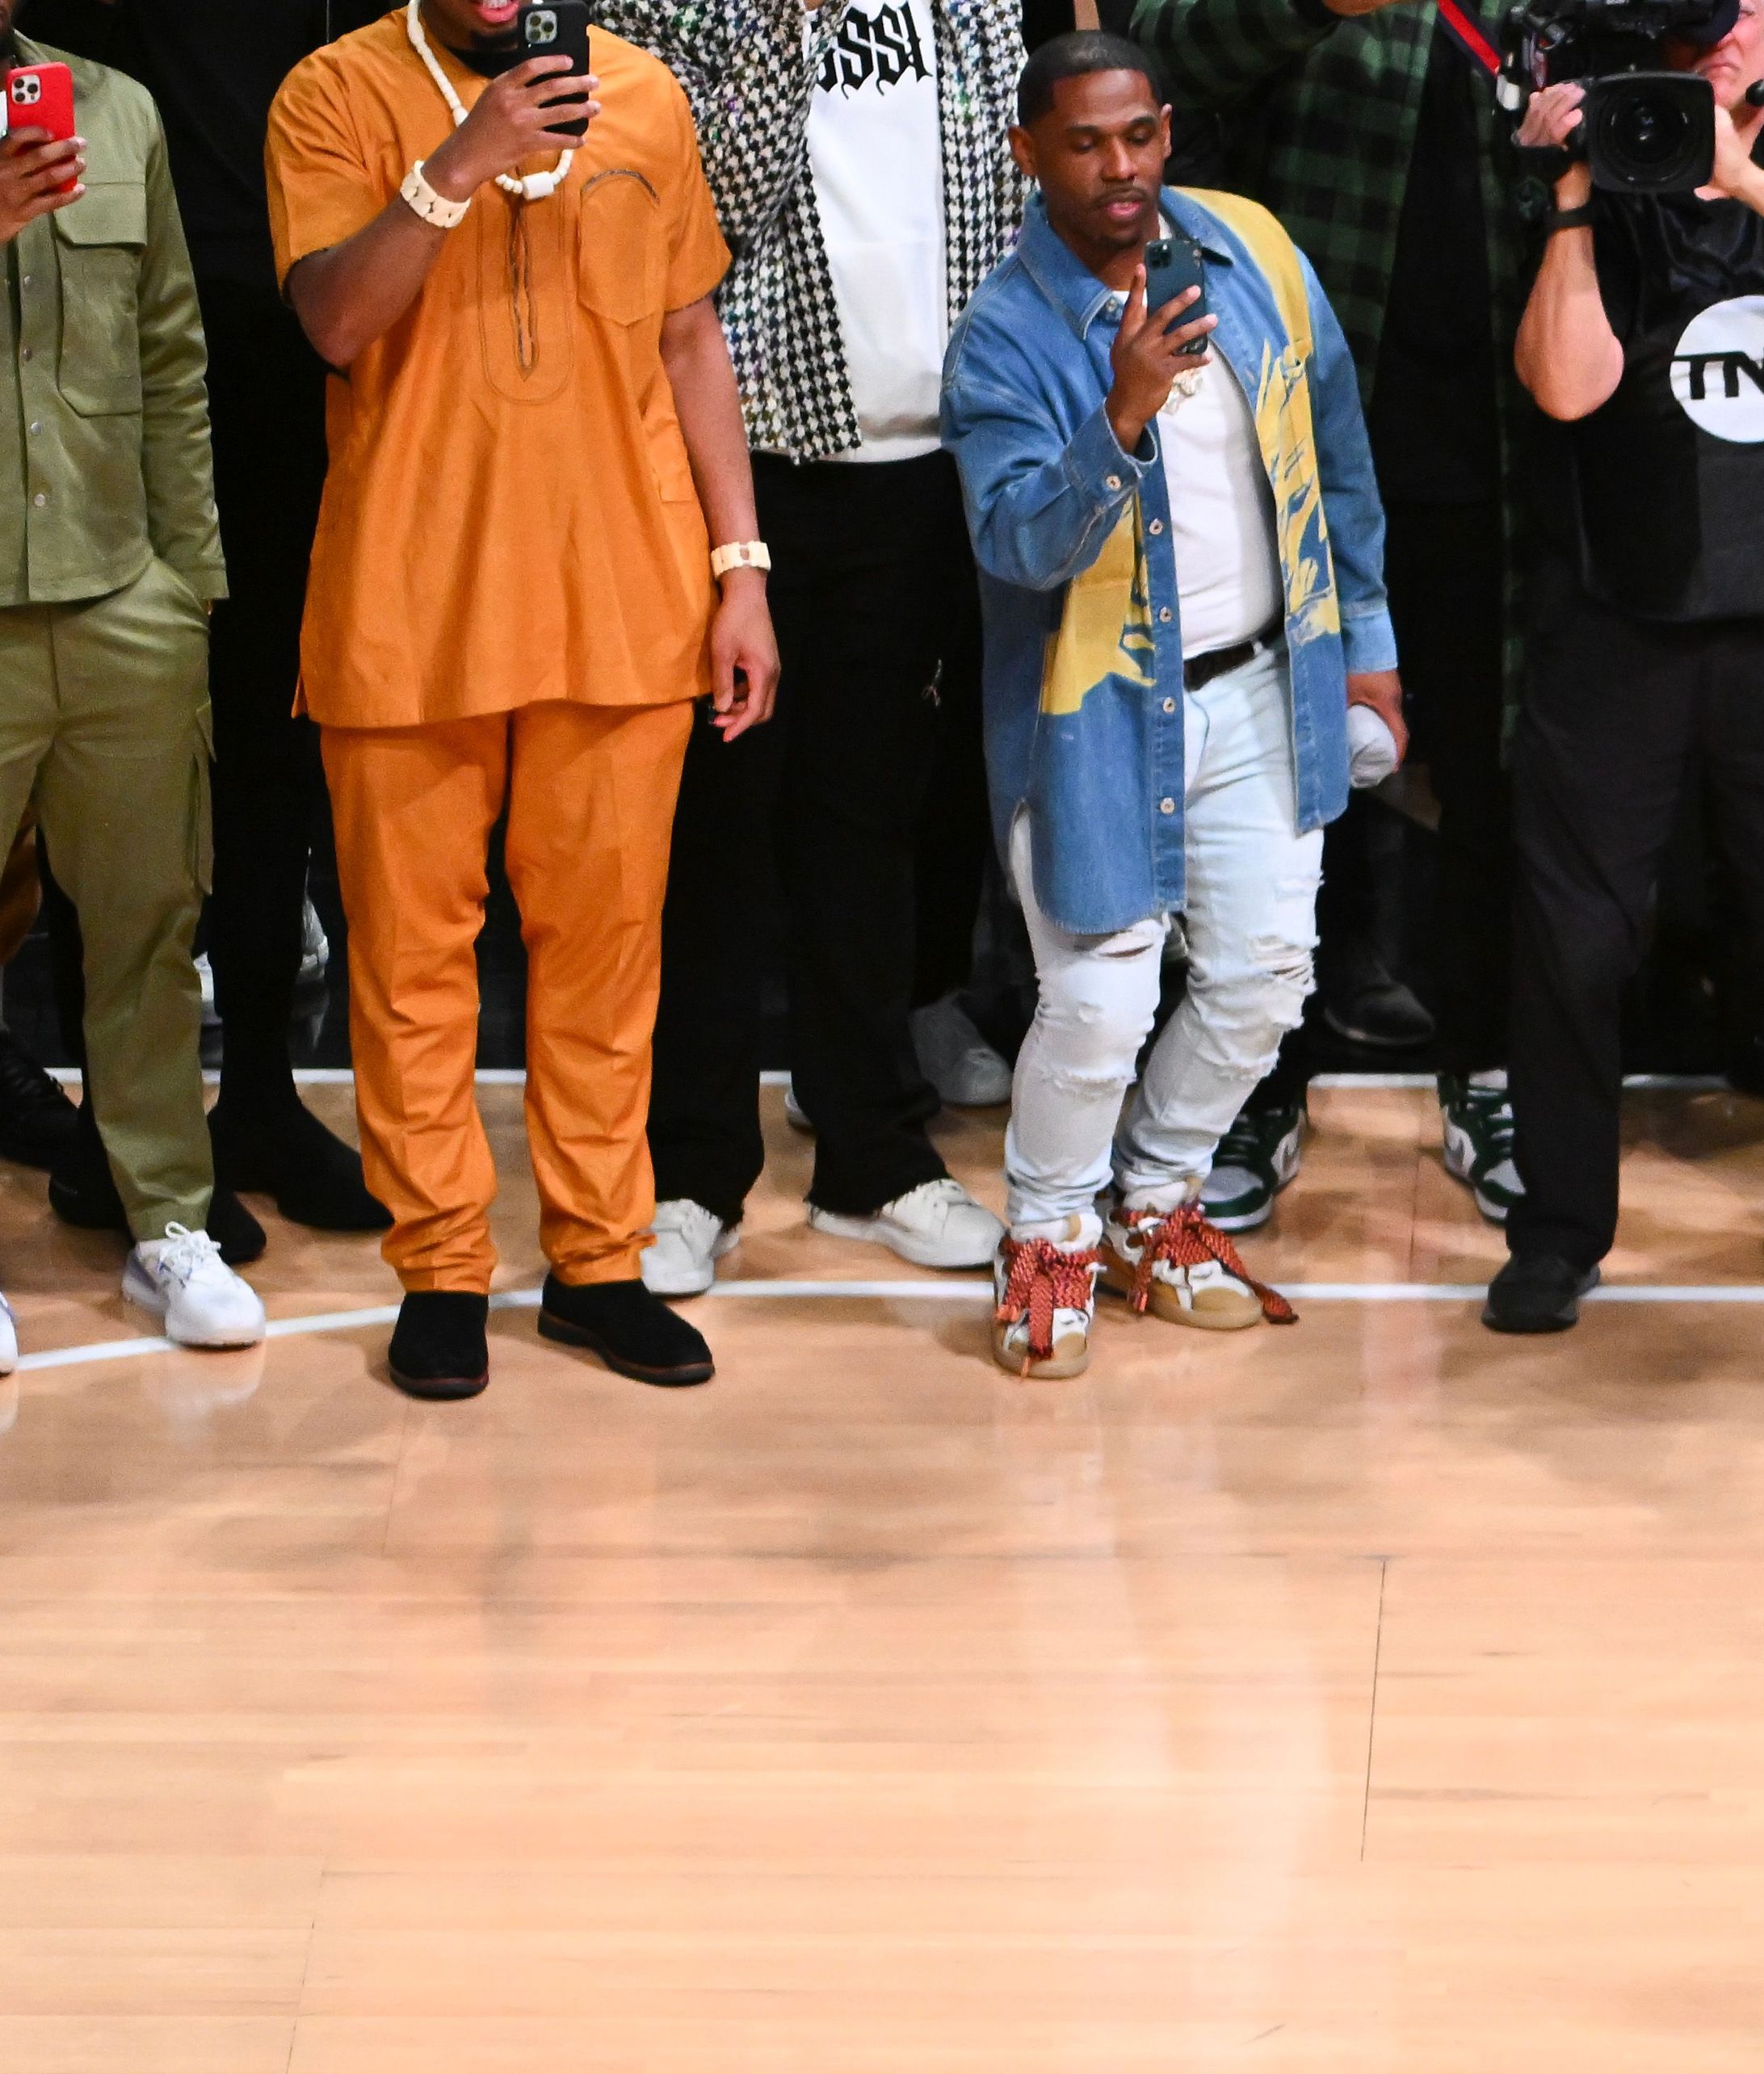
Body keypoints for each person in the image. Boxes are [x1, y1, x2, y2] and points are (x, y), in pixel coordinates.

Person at [270, 0, 779, 1399]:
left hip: (626, 599)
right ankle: (440, 1267)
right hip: (406, 601)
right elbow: (332, 320)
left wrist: (742, 568)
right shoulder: (332, 89)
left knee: (608, 957)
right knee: (410, 960)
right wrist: (462, 159)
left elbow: (689, 340)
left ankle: (598, 1265)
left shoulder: (650, 96)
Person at [944, 31, 1401, 1378]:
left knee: (1267, 977)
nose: (1121, 166)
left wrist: (1366, 640)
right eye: (1086, 143)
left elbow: (1338, 448)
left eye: (1138, 134)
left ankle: (1157, 1202)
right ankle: (1044, 1229)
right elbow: (1019, 546)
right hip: (1096, 715)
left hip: (1268, 680)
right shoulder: (1005, 339)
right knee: (1096, 1002)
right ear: (1031, 154)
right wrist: (1122, 417)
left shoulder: (1250, 251)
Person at [1482, 0, 1764, 1334]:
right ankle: (1559, 1228)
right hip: (1618, 627)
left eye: (1737, 10)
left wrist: (1741, 173)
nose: (1719, 40)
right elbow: (1565, 389)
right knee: (1573, 942)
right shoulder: (1595, 173)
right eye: (1689, 17)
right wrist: (1572, 201)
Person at [605, 0, 1029, 1302]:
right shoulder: (664, 13)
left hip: (927, 460)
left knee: (871, 824)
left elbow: (1010, 194)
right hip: (746, 471)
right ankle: (691, 1176)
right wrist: (784, 28)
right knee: (719, 830)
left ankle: (869, 1155)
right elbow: (709, 212)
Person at [1124, 0, 1546, 1232]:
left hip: (1511, 420)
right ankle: (1256, 1082)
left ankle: (1494, 1071)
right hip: (1293, 413)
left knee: (1495, 769)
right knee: (1290, 771)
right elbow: (1164, 57)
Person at [27, 0, 398, 1243]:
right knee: (115, 761)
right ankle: (108, 1129)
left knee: (269, 745)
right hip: (118, 344)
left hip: (316, 344)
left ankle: (253, 1097)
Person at [0, 6, 261, 1355]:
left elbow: (172, 357)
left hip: (122, 598)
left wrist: (187, 585)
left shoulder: (114, 108)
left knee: (153, 931)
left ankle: (170, 1216)